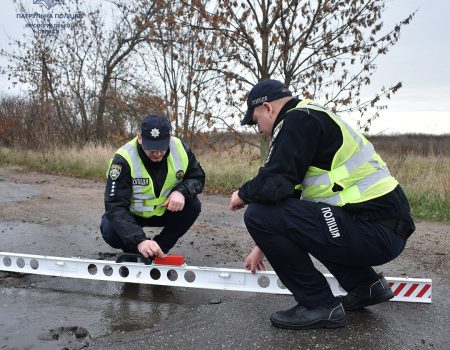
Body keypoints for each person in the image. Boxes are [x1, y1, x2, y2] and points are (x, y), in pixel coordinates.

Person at [229, 80, 415, 330]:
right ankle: (366, 287)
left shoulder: (296, 120)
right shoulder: (310, 116)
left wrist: (242, 194)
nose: (259, 129)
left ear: (267, 108)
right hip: (381, 229)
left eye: (255, 121)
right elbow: (287, 201)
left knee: (257, 214)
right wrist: (260, 248)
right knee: (306, 223)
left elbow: (273, 185)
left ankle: (318, 305)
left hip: (373, 230)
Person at [101, 115, 205, 260]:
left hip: (165, 212)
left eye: (161, 148)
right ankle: (136, 250)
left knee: (193, 205)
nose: (157, 154)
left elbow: (197, 177)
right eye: (151, 149)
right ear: (140, 138)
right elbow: (115, 206)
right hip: (134, 214)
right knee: (109, 229)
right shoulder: (123, 159)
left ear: (169, 137)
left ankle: (158, 250)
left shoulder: (180, 149)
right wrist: (139, 241)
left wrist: (181, 191)